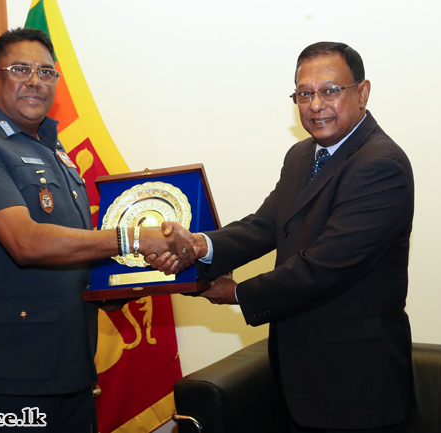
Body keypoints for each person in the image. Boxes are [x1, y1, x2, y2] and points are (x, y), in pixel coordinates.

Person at [150, 42, 415, 432]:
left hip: (357, 388)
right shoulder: (301, 156)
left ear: (362, 92)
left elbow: (323, 267)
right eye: (304, 94)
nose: (316, 104)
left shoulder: (380, 164)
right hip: (298, 380)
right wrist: (199, 246)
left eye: (330, 90)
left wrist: (236, 293)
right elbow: (263, 225)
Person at [0, 28, 193, 432]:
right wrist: (134, 239)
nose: (35, 81)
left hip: (70, 364)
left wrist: (119, 284)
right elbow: (26, 243)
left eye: (46, 72)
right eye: (20, 69)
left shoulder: (54, 148)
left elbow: (77, 247)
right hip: (8, 374)